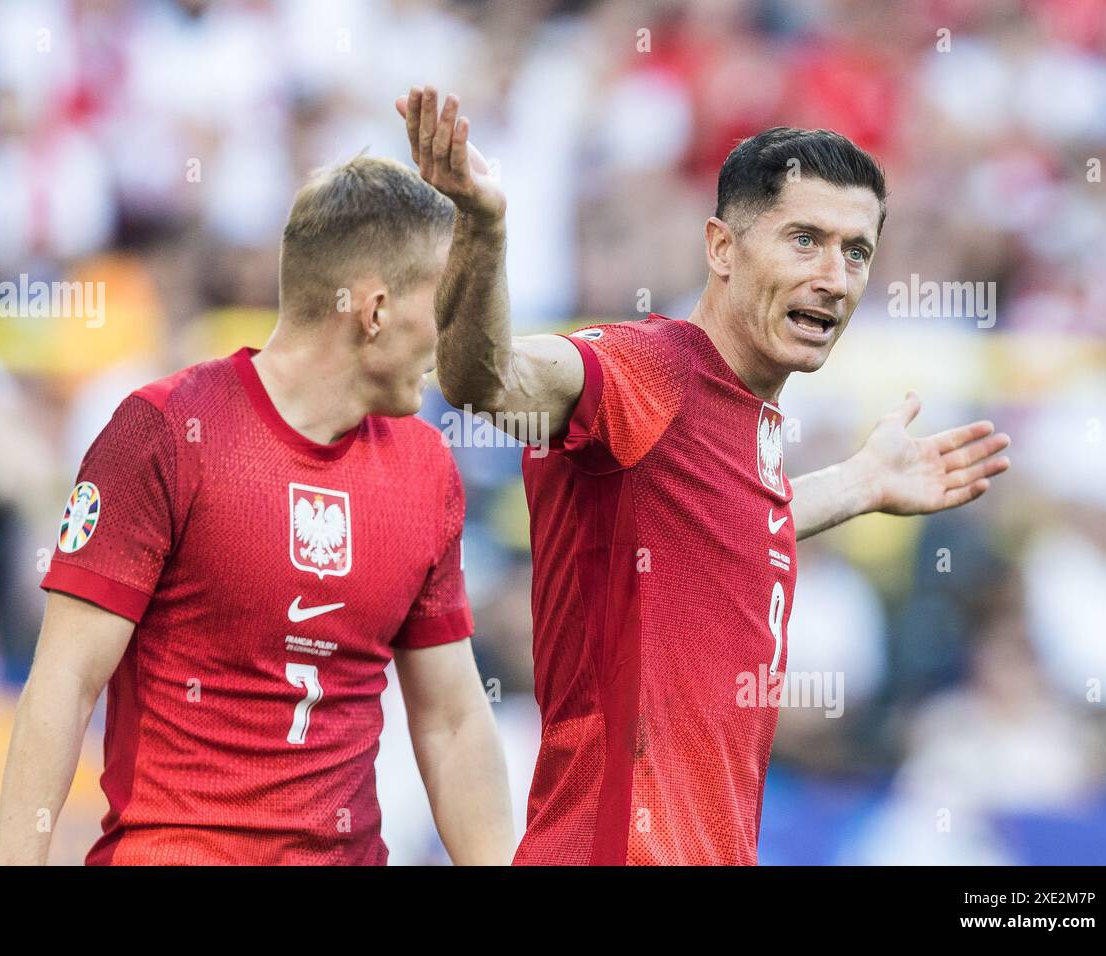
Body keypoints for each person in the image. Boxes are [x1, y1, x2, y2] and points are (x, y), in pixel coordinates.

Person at [397, 87, 1011, 865]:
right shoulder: (646, 368)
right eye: (804, 240)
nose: (835, 275)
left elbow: (726, 531)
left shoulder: (746, 424)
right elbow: (484, 380)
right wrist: (482, 230)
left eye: (856, 250)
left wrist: (858, 485)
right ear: (721, 248)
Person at [0, 156, 514, 865]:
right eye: (441, 301)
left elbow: (453, 719)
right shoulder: (164, 430)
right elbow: (64, 680)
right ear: (376, 310)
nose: (449, 333)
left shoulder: (427, 470)